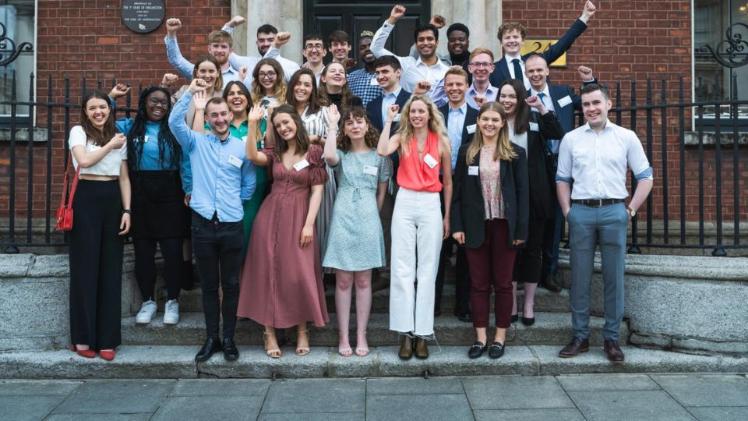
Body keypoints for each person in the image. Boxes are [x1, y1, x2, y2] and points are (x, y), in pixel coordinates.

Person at [556, 84, 653, 363]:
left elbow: (645, 176)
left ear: (608, 104)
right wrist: (567, 212)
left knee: (614, 278)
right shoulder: (571, 139)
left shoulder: (626, 137)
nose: (591, 108)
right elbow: (562, 179)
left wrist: (630, 210)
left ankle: (611, 339)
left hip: (614, 211)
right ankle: (580, 336)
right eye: (586, 104)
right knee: (579, 278)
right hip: (581, 213)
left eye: (596, 102)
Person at [168, 78, 257, 363]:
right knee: (208, 285)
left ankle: (229, 338)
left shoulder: (242, 148)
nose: (219, 119)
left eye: (223, 114)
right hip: (203, 223)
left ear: (231, 116)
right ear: (207, 119)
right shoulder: (196, 142)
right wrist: (191, 94)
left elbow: (249, 184)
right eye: (214, 115)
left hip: (231, 223)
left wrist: (233, 203)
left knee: (231, 284)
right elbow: (174, 123)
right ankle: (211, 338)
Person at [238, 104, 329, 359]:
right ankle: (269, 332)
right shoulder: (275, 152)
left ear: (296, 122)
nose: (283, 128)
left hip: (300, 216)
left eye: (287, 123)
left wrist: (309, 223)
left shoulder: (313, 152)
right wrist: (254, 123)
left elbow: (318, 190)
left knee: (298, 273)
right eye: (278, 125)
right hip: (270, 216)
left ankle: (302, 330)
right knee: (268, 270)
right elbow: (253, 157)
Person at [451, 101, 528, 359]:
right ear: (479, 122)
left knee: (504, 284)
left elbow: (522, 193)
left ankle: (499, 338)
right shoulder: (467, 153)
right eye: (486, 119)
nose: (490, 124)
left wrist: (521, 230)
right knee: (479, 284)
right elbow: (458, 194)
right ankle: (481, 337)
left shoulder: (515, 153)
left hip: (505, 225)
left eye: (495, 120)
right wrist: (457, 225)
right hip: (475, 224)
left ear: (502, 123)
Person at [377, 94, 452, 360]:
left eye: (421, 111)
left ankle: (423, 333)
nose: (417, 115)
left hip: (431, 202)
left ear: (430, 114)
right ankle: (405, 334)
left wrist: (447, 216)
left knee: (428, 269)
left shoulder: (441, 141)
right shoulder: (402, 137)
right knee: (401, 268)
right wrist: (389, 120)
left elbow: (449, 181)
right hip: (406, 200)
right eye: (413, 112)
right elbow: (382, 150)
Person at [110, 84, 189, 327]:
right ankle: (148, 301)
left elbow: (185, 161)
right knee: (143, 252)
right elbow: (102, 119)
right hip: (140, 191)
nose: (158, 106)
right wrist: (112, 98)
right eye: (153, 101)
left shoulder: (175, 128)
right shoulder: (130, 126)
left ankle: (173, 300)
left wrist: (189, 188)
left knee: (172, 251)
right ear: (144, 102)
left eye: (164, 102)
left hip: (170, 192)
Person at [322, 105, 391, 357]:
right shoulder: (342, 154)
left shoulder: (380, 156)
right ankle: (343, 335)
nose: (354, 125)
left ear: (366, 124)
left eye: (358, 121)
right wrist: (332, 125)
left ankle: (361, 333)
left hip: (368, 217)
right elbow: (329, 157)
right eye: (348, 122)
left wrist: (371, 213)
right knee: (342, 280)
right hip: (343, 216)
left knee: (363, 280)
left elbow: (382, 191)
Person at [68, 90, 131, 361]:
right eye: (93, 107)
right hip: (86, 198)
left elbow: (124, 178)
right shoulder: (78, 132)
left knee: (110, 269)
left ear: (109, 109)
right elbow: (83, 161)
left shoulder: (118, 136)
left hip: (112, 200)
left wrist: (127, 210)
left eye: (103, 107)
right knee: (85, 269)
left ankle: (107, 339)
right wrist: (109, 147)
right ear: (85, 111)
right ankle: (82, 338)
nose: (98, 112)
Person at [523, 54, 596, 292]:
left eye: (539, 70)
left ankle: (550, 272)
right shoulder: (522, 98)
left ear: (547, 71)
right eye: (530, 70)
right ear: (526, 73)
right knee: (534, 219)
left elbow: (590, 101)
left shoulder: (563, 93)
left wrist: (589, 82)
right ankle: (527, 271)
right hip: (536, 166)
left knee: (557, 220)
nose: (535, 74)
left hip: (564, 163)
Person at [497, 79, 565, 326]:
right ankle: (512, 302)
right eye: (503, 96)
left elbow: (558, 133)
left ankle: (529, 303)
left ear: (520, 98)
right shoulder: (495, 120)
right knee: (511, 250)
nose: (507, 101)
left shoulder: (534, 120)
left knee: (533, 250)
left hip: (535, 195)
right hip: (506, 194)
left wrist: (543, 108)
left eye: (512, 96)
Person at [435, 67, 477, 321]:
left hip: (468, 186)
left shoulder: (477, 115)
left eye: (458, 84)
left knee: (466, 247)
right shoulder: (435, 115)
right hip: (438, 184)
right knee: (437, 247)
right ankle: (434, 304)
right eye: (449, 84)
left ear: (467, 86)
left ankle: (464, 305)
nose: (454, 88)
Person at [488, 1, 597, 88]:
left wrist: (585, 16)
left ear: (522, 41)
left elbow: (563, 44)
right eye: (507, 38)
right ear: (501, 42)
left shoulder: (537, 60)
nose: (512, 41)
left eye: (516, 37)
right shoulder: (494, 69)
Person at [371, 4, 450, 99]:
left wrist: (431, 26)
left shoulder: (447, 71)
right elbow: (376, 48)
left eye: (429, 39)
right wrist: (392, 20)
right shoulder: (405, 64)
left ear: (437, 42)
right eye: (421, 40)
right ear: (416, 44)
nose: (425, 43)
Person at [164, 18, 243, 85]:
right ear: (209, 49)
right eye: (215, 46)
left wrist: (229, 26)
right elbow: (177, 60)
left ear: (230, 51)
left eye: (223, 47)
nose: (219, 50)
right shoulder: (199, 72)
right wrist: (171, 33)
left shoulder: (238, 77)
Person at [222, 17, 300, 82]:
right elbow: (222, 51)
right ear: (257, 43)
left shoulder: (291, 66)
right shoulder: (247, 64)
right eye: (261, 40)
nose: (266, 44)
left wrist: (275, 46)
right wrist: (230, 25)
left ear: (277, 41)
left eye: (270, 40)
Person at [366, 56, 411, 135]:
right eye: (377, 73)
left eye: (385, 71)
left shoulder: (411, 100)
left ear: (398, 72)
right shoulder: (371, 105)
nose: (380, 77)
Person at [347, 31, 384, 106]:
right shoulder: (351, 77)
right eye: (362, 47)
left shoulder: (386, 75)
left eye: (371, 46)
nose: (367, 49)